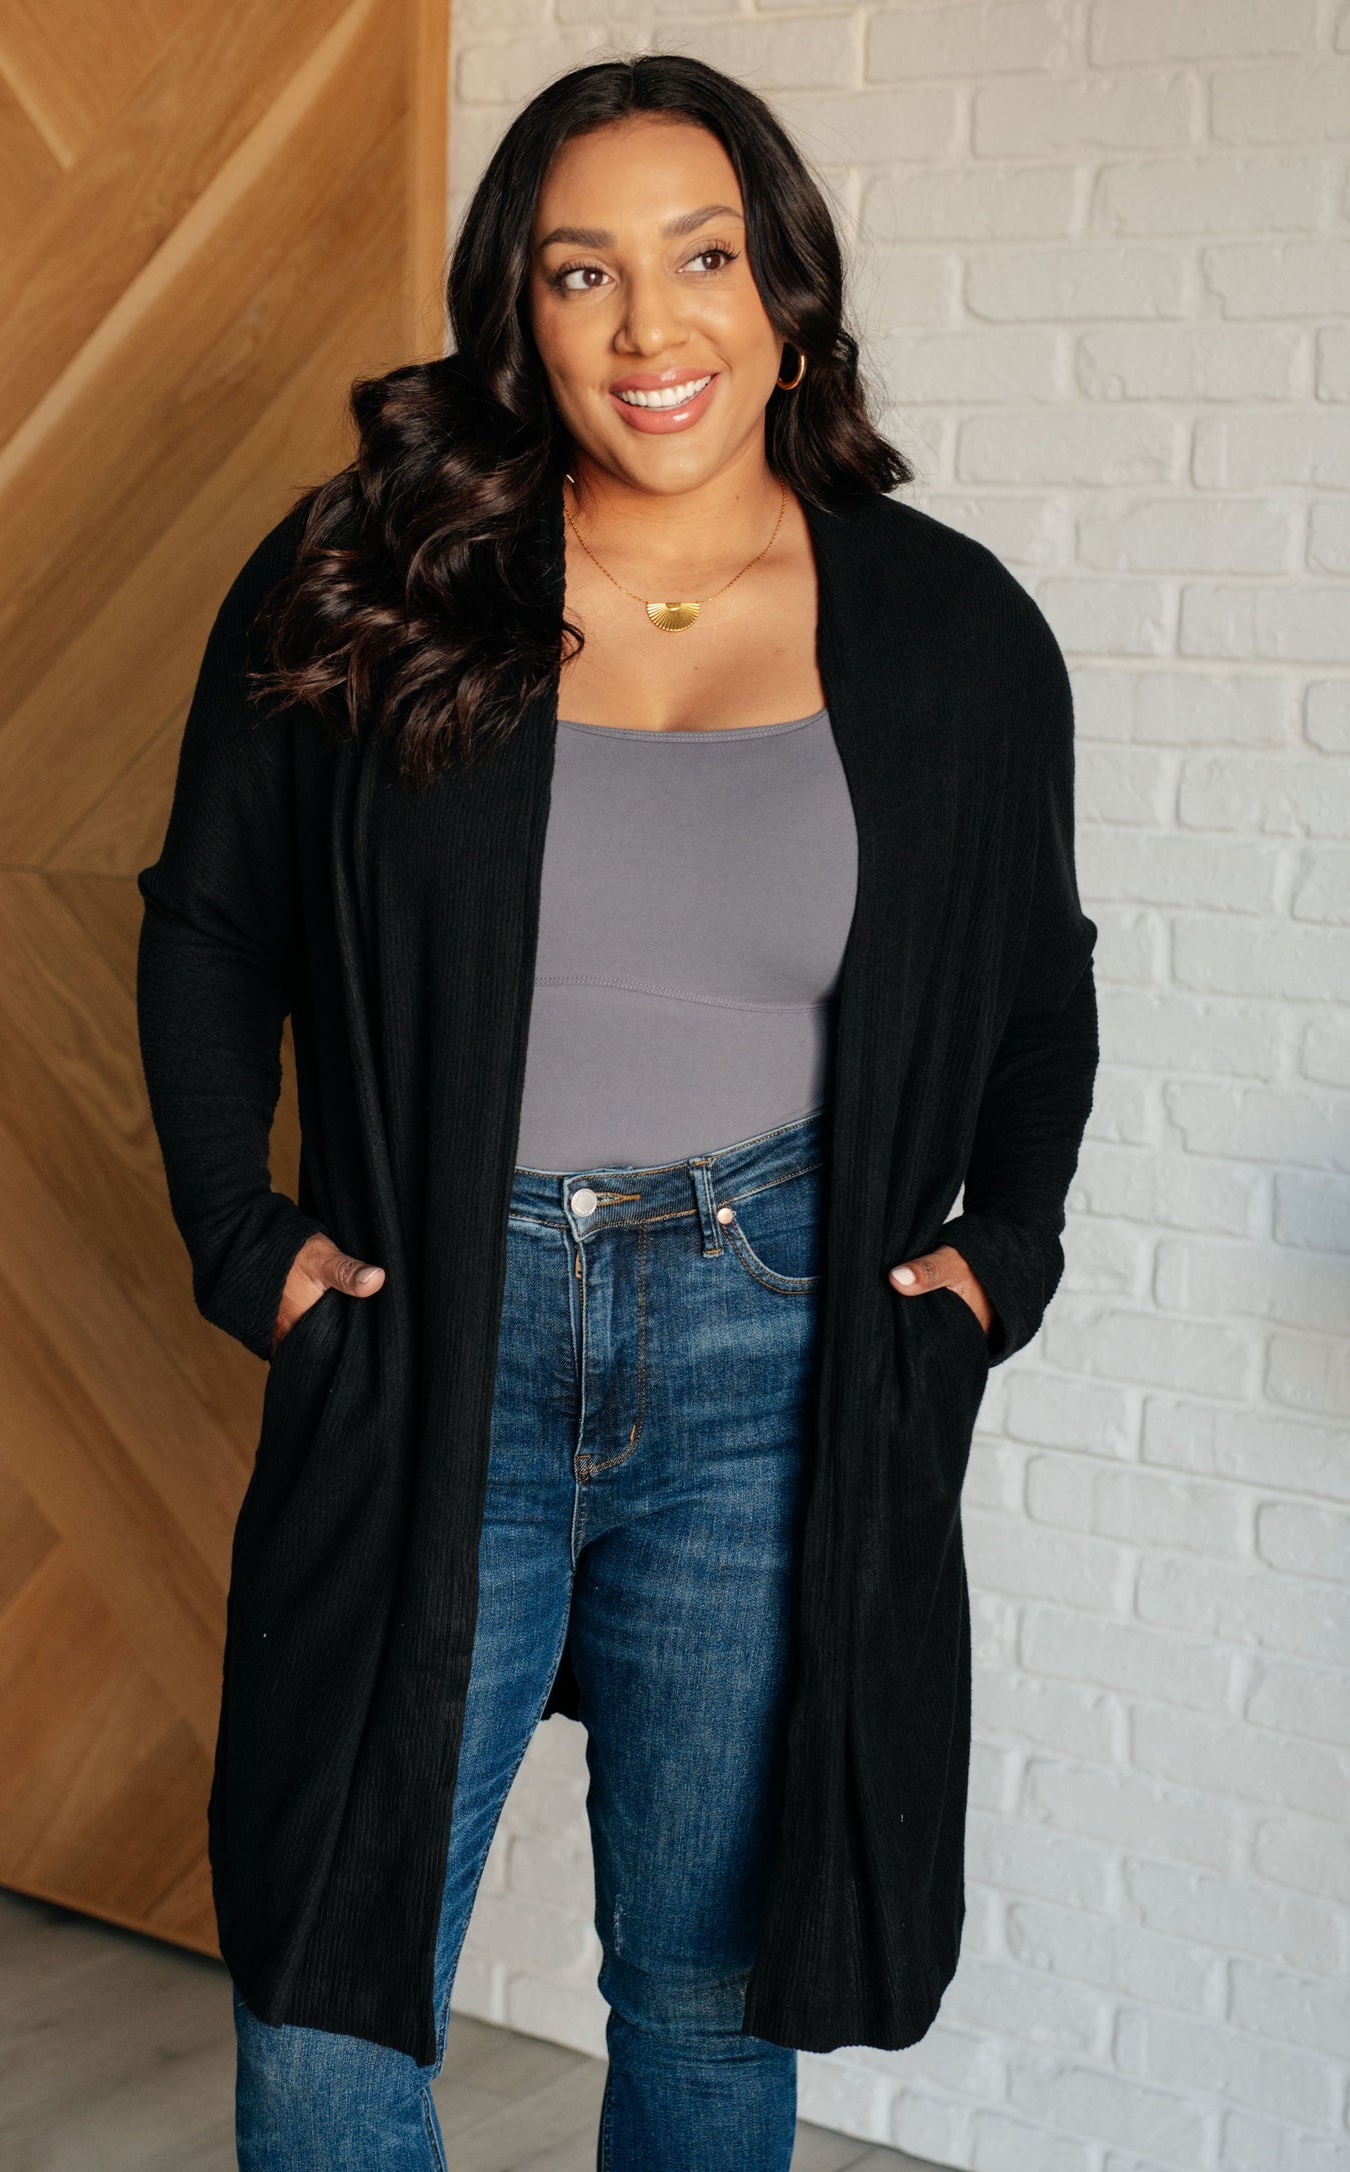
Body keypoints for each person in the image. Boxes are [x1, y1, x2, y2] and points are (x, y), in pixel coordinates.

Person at [135, 53, 1098, 2172]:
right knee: (328, 1980)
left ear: (788, 296)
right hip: (430, 1332)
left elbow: (1041, 993)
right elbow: (209, 924)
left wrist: (991, 1270)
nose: (651, 330)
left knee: (701, 1985)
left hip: (774, 1351)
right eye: (586, 273)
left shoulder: (945, 633)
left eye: (703, 259)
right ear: (518, 308)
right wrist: (246, 1240)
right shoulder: (369, 579)